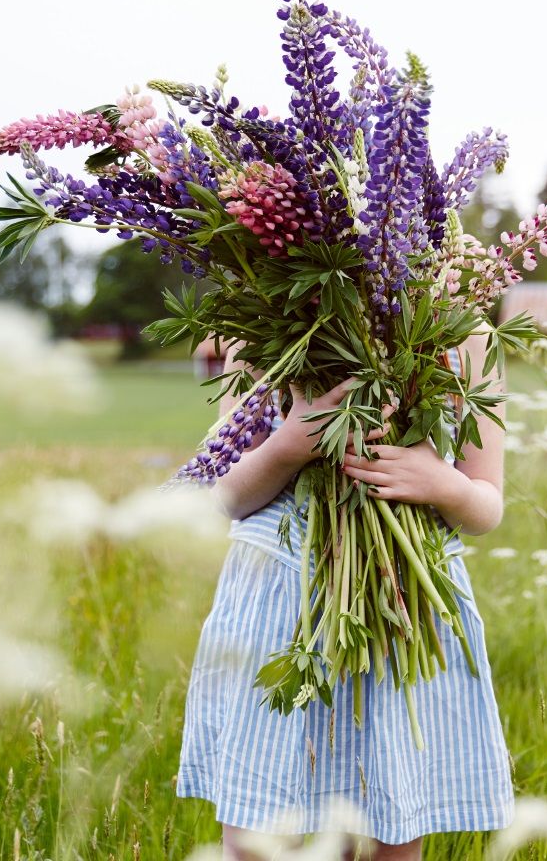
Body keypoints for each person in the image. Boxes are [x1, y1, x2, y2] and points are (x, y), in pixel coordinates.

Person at [176, 332, 516, 860]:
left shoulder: (463, 336)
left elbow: (486, 505)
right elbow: (224, 495)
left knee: (391, 824)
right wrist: (290, 444)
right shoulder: (260, 329)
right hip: (277, 603)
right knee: (261, 831)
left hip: (400, 606)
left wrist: (439, 483)